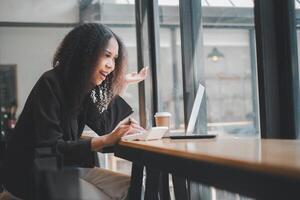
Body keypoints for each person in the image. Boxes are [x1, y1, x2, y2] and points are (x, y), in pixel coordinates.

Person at [3, 23, 147, 200]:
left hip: (63, 167)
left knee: (136, 188)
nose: (111, 65)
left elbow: (104, 125)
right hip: (30, 174)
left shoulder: (83, 88)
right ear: (85, 53)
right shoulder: (50, 83)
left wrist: (122, 85)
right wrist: (107, 139)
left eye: (115, 58)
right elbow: (51, 147)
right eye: (107, 55)